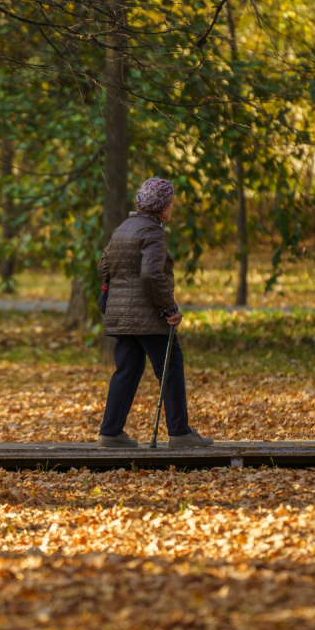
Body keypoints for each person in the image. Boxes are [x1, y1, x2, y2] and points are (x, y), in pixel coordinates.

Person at [96, 176, 213, 449]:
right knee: (170, 367)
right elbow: (151, 275)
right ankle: (180, 432)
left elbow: (104, 266)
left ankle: (110, 432)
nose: (172, 208)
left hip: (123, 318)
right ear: (162, 206)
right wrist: (169, 308)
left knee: (126, 370)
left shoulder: (123, 228)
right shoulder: (153, 232)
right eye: (171, 203)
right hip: (150, 318)